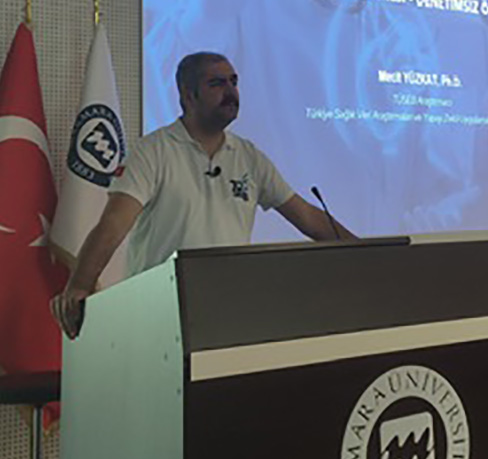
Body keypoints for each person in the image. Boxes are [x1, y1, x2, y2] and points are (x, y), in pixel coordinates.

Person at [51, 51, 352, 339]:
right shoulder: (153, 151)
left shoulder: (248, 156)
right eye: (217, 83)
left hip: (229, 311)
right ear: (188, 95)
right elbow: (114, 223)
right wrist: (80, 285)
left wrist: (367, 255)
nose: (231, 92)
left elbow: (308, 217)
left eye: (233, 81)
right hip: (160, 312)